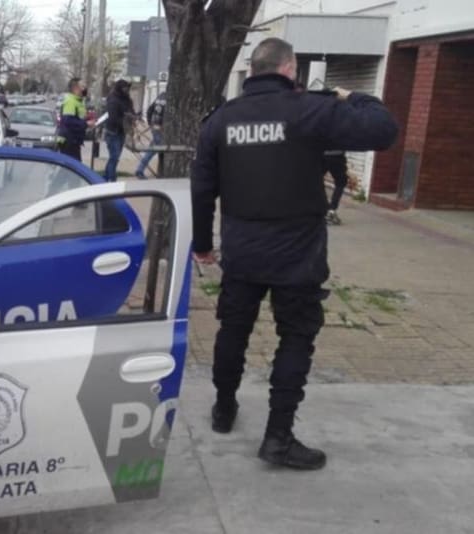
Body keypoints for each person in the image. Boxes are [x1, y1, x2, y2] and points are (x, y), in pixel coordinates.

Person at [191, 37, 398, 470]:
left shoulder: (221, 121)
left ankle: (224, 409)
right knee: (296, 339)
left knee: (233, 330)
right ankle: (278, 437)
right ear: (290, 70)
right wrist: (349, 94)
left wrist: (203, 246)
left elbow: (202, 189)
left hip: (243, 252)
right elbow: (382, 128)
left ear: (251, 72)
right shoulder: (312, 110)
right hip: (297, 256)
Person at [103, 79, 134, 182]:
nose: (127, 90)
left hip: (121, 132)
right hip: (113, 132)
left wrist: (133, 116)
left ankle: (105, 178)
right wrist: (125, 121)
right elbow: (113, 118)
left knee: (115, 158)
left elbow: (130, 110)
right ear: (120, 89)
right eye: (125, 88)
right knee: (114, 156)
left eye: (128, 88)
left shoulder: (127, 99)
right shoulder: (113, 100)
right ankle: (110, 179)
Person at [56, 78, 92, 161]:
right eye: (82, 86)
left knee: (72, 168)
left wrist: (87, 119)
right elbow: (68, 121)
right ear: (75, 88)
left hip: (74, 140)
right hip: (68, 141)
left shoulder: (78, 101)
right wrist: (86, 124)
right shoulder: (70, 101)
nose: (85, 88)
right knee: (72, 168)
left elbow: (77, 117)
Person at [135, 93, 165, 179]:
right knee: (153, 150)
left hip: (155, 126)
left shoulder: (160, 96)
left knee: (156, 149)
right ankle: (140, 170)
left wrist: (150, 122)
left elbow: (149, 110)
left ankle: (160, 172)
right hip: (161, 128)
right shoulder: (171, 99)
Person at [323, 150, 348, 224]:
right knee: (341, 182)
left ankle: (325, 209)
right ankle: (331, 210)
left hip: (322, 155)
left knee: (316, 181)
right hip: (337, 156)